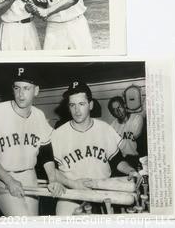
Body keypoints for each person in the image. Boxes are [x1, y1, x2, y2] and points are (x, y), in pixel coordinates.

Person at [0, 67, 64, 216]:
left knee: (33, 221)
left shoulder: (38, 115)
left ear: (36, 90)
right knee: (22, 220)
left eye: (26, 88)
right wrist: (9, 180)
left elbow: (45, 150)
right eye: (17, 88)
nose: (20, 94)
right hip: (3, 176)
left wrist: (53, 179)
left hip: (29, 174)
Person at [51, 81, 140, 215]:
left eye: (81, 104)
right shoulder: (57, 134)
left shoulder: (105, 128)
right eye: (72, 105)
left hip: (102, 192)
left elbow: (116, 161)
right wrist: (73, 184)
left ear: (90, 105)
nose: (77, 110)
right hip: (70, 194)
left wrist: (131, 170)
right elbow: (51, 170)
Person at [108, 96, 144, 170]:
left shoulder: (137, 118)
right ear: (112, 113)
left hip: (136, 159)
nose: (118, 111)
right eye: (114, 110)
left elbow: (137, 135)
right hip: (121, 161)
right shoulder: (112, 126)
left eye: (119, 107)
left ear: (124, 105)